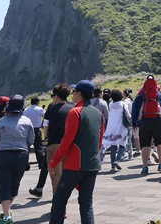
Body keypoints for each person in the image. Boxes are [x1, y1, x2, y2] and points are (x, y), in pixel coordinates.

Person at [49, 80, 105, 224]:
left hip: (75, 164)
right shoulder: (99, 114)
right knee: (86, 203)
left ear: (79, 94)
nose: (72, 94)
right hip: (92, 164)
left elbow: (67, 141)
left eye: (74, 92)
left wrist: (54, 161)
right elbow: (98, 142)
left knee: (59, 199)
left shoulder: (75, 112)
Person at [0, 94, 35, 224]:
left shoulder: (1, 121)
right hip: (21, 155)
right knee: (14, 184)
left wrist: (1, 149)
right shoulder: (27, 121)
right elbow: (31, 140)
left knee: (3, 184)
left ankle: (6, 215)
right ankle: (7, 212)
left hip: (3, 154)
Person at [29, 83, 74, 198]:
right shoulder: (73, 109)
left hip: (54, 146)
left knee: (56, 177)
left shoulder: (50, 112)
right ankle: (64, 200)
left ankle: (58, 204)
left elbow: (46, 130)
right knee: (67, 175)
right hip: (70, 145)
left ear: (57, 96)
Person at [102, 89, 130, 172]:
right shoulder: (123, 104)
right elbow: (128, 115)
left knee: (113, 146)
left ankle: (112, 166)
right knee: (122, 145)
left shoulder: (110, 104)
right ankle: (117, 160)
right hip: (121, 127)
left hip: (111, 127)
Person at [23, 97, 45, 170]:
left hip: (27, 129)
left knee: (26, 147)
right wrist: (42, 123)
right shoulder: (39, 109)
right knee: (39, 147)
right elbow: (46, 116)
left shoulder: (26, 110)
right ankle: (41, 163)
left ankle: (25, 164)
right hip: (36, 129)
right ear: (37, 102)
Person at [122, 89, 138, 160]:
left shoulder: (125, 102)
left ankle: (128, 154)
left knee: (126, 138)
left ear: (125, 94)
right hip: (130, 121)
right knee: (129, 138)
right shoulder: (131, 101)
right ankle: (129, 154)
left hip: (126, 121)